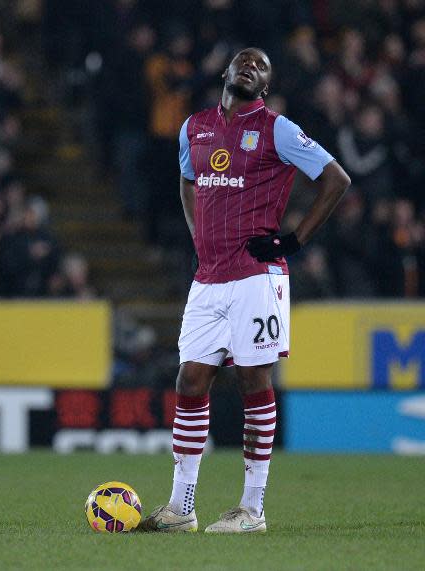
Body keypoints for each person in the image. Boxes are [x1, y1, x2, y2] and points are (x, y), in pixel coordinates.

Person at [139, 48, 351, 534]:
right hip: (207, 279)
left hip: (258, 277)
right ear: (226, 72)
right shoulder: (193, 127)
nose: (252, 67)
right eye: (246, 61)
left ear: (265, 85)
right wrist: (199, 237)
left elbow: (336, 180)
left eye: (263, 66)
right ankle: (181, 506)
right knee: (190, 382)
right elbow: (187, 184)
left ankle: (252, 509)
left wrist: (294, 240)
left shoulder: (277, 129)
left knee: (254, 381)